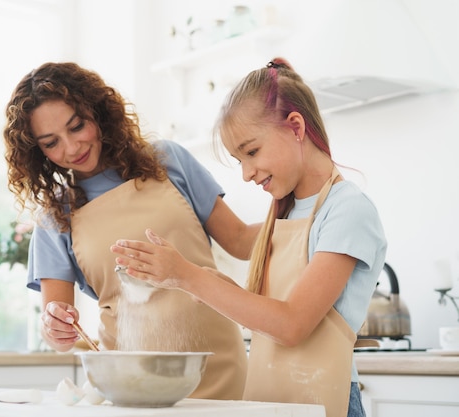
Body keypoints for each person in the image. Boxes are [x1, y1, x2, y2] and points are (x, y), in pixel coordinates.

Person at [111, 58, 387, 417]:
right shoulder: (286, 214)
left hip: (325, 400)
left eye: (251, 152)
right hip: (272, 401)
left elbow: (291, 325)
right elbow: (258, 290)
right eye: (238, 159)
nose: (245, 174)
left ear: (296, 127)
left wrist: (190, 277)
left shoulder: (347, 209)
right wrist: (200, 280)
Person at [2, 62, 254, 400]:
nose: (72, 148)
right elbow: (56, 322)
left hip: (218, 363)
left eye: (77, 126)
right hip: (131, 380)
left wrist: (307, 222)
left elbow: (240, 241)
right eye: (51, 143)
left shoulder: (168, 160)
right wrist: (55, 326)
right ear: (38, 152)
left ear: (97, 111)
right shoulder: (55, 216)